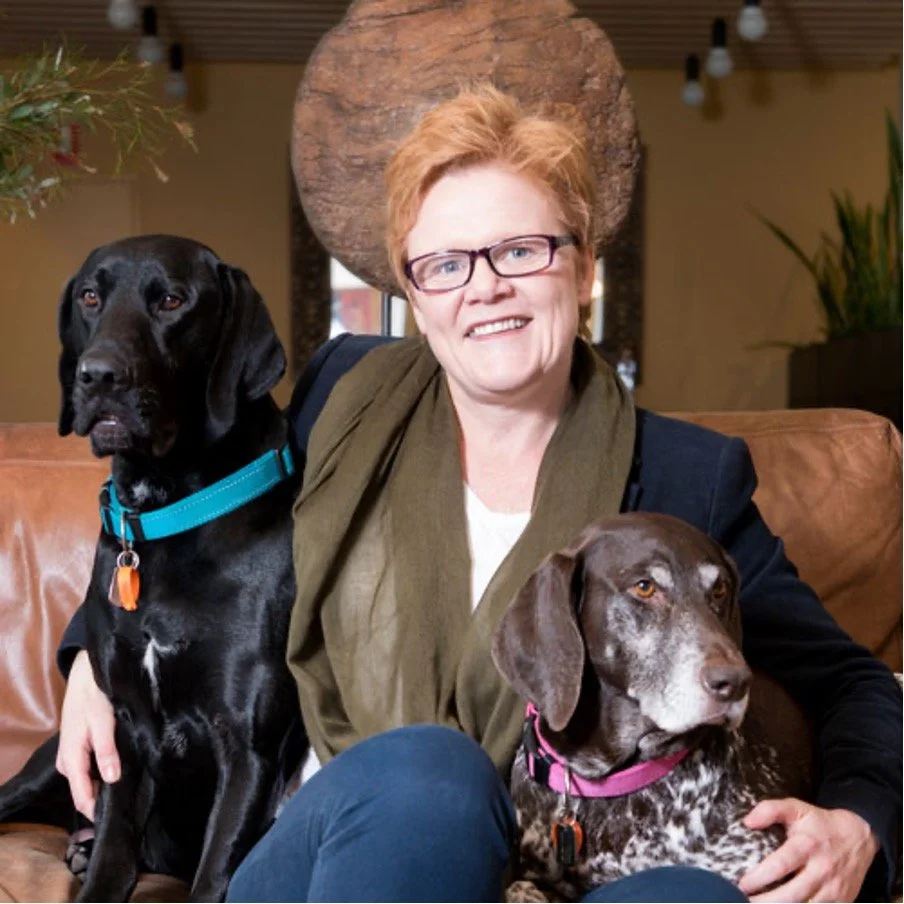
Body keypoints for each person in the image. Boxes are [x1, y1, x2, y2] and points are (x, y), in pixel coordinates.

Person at [55, 86, 900, 903]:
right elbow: (185, 516)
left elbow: (849, 683)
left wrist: (860, 822)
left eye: (521, 250)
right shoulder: (340, 397)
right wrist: (97, 651)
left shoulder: (685, 477)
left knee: (691, 895)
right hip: (345, 838)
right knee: (433, 770)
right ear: (415, 297)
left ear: (584, 269)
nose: (484, 287)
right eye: (445, 264)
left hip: (563, 862)